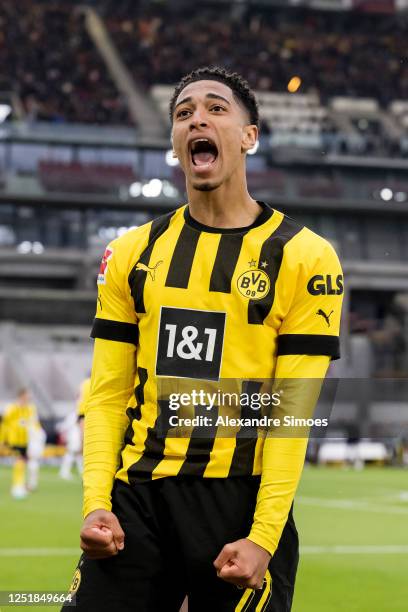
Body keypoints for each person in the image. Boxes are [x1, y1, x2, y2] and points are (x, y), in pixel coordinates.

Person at [64, 66, 343, 611]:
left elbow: (290, 414)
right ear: (175, 142)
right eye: (184, 112)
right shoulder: (131, 255)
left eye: (216, 108)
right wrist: (96, 503)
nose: (198, 118)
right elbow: (106, 395)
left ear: (249, 136)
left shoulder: (305, 256)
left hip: (239, 500)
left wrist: (264, 535)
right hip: (138, 497)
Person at [0, 388, 42, 498]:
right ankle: (16, 486)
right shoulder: (12, 408)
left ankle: (19, 485)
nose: (28, 398)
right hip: (14, 439)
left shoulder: (29, 408)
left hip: (25, 440)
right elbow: (4, 424)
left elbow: (33, 422)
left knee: (22, 462)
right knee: (19, 461)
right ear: (21, 396)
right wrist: (2, 439)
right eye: (27, 395)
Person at [58, 376, 90, 480]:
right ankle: (64, 472)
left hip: (78, 429)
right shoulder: (76, 412)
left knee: (77, 453)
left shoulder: (76, 409)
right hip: (76, 432)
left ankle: (79, 472)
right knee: (74, 451)